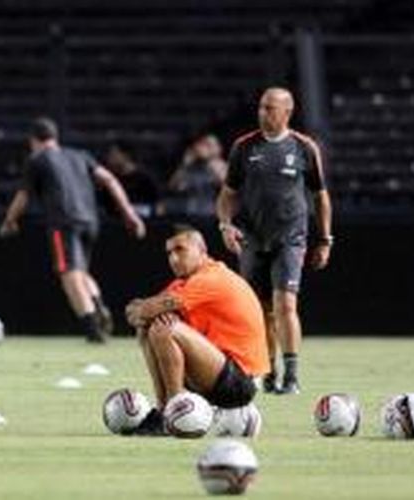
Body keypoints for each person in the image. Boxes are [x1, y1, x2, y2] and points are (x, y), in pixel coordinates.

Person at [216, 87, 333, 395]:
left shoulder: (305, 148)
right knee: (259, 310)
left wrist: (324, 240)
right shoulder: (243, 147)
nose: (263, 113)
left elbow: (320, 197)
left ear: (287, 112)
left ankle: (292, 376)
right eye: (261, 107)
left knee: (285, 304)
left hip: (290, 239)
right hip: (252, 240)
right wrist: (225, 226)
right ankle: (268, 372)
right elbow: (227, 195)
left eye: (270, 108)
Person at [0, 117, 146, 343]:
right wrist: (130, 213)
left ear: (33, 141)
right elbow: (109, 180)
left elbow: (23, 195)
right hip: (90, 220)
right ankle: (97, 304)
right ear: (55, 137)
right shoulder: (80, 155)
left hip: (63, 222)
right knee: (81, 271)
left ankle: (92, 327)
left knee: (69, 273)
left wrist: (10, 220)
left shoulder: (37, 159)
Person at [124, 225, 269, 435]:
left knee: (165, 328)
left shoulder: (210, 278)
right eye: (170, 253)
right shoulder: (185, 282)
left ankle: (173, 413)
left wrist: (146, 311)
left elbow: (145, 309)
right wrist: (145, 312)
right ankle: (163, 408)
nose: (173, 258)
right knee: (150, 327)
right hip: (217, 371)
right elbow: (136, 311)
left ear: (202, 251)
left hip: (240, 382)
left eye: (180, 250)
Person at [164, 133, 227, 216]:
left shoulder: (219, 165)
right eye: (202, 144)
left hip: (209, 213)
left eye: (209, 145)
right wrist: (185, 164)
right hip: (188, 211)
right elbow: (176, 187)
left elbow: (227, 187)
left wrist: (211, 160)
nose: (204, 148)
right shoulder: (191, 167)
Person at [101, 139, 159, 217]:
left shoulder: (145, 178)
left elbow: (159, 205)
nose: (109, 158)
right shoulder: (110, 179)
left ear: (125, 155)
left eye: (114, 154)